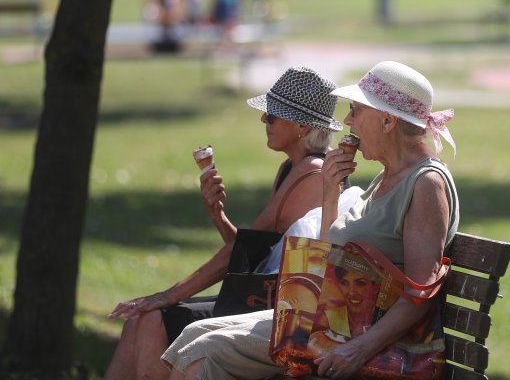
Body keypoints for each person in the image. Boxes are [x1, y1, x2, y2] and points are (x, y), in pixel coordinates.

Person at [160, 60, 460, 380]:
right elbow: (331, 260)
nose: (347, 121)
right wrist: (330, 194)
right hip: (331, 322)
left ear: (387, 121)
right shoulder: (388, 178)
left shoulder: (426, 183)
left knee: (206, 351)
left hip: (360, 336)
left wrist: (358, 349)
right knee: (192, 336)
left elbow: (421, 292)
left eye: (355, 111)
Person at [104, 66, 344, 380]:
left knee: (151, 318)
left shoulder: (311, 173)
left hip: (277, 309)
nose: (263, 121)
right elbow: (251, 252)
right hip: (262, 294)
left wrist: (169, 295)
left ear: (300, 124)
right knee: (140, 319)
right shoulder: (292, 168)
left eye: (271, 115)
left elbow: (239, 258)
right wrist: (218, 216)